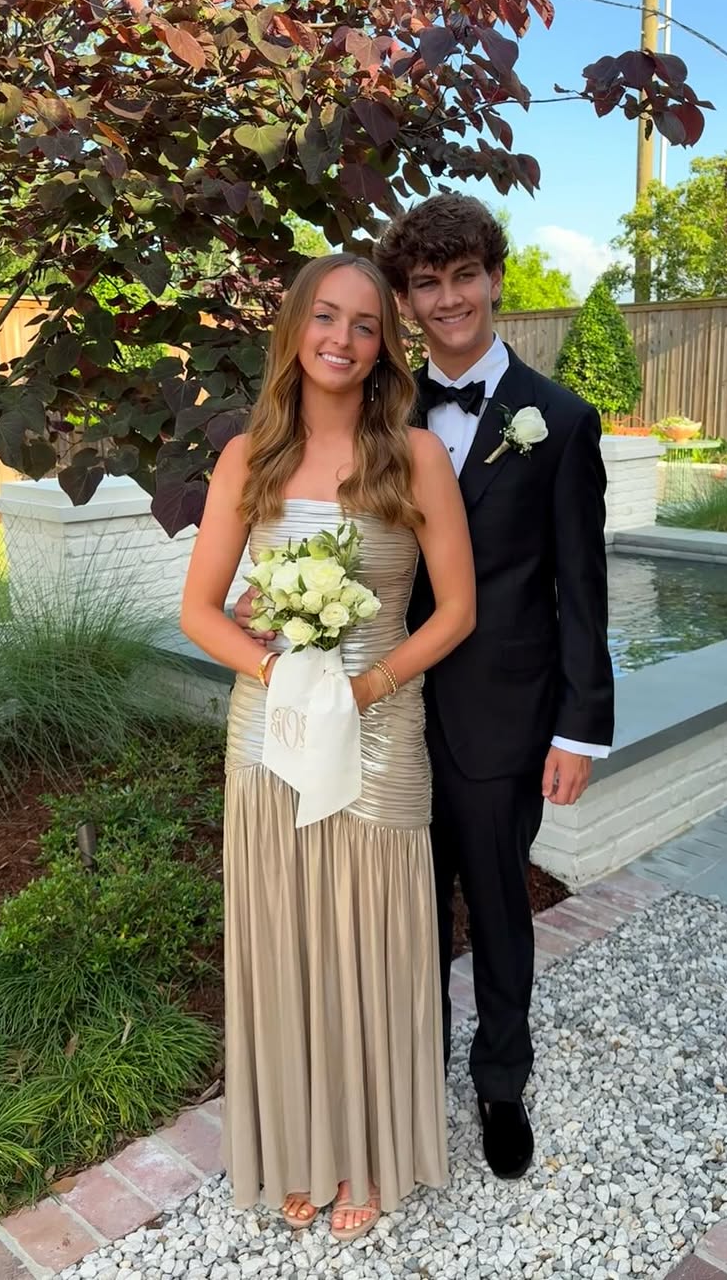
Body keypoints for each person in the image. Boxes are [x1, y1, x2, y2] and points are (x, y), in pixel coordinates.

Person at [238, 196, 615, 1182]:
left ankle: (500, 1083)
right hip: (374, 725)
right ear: (404, 301)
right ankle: (407, 1078)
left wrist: (579, 728)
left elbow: (582, 587)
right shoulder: (371, 413)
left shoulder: (559, 420)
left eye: (465, 277)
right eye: (427, 283)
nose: (448, 299)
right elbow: (319, 539)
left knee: (496, 906)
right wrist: (267, 602)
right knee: (397, 915)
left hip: (500, 714)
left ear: (495, 279)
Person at [181, 253, 476, 1241]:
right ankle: (300, 1148)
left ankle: (368, 1151)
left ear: (385, 345)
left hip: (380, 732)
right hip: (271, 736)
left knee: (374, 946)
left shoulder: (415, 456)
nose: (342, 339)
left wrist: (361, 688)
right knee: (289, 942)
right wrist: (284, 677)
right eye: (326, 317)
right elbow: (201, 610)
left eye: (364, 324)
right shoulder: (247, 459)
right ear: (295, 329)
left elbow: (457, 612)